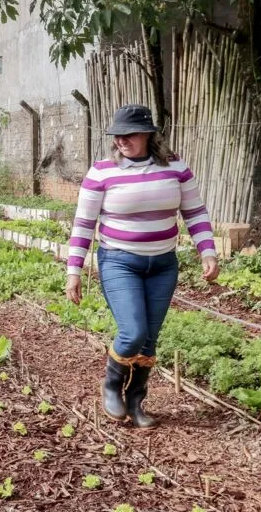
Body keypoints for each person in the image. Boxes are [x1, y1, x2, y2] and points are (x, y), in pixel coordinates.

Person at [65, 104, 219, 429]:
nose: (121, 140)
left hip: (163, 265)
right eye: (117, 135)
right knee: (133, 332)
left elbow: (195, 211)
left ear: (149, 134)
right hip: (120, 262)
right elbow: (83, 224)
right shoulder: (103, 172)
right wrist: (74, 271)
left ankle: (135, 402)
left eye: (129, 134)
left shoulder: (176, 167)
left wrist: (208, 250)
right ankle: (111, 385)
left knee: (149, 340)